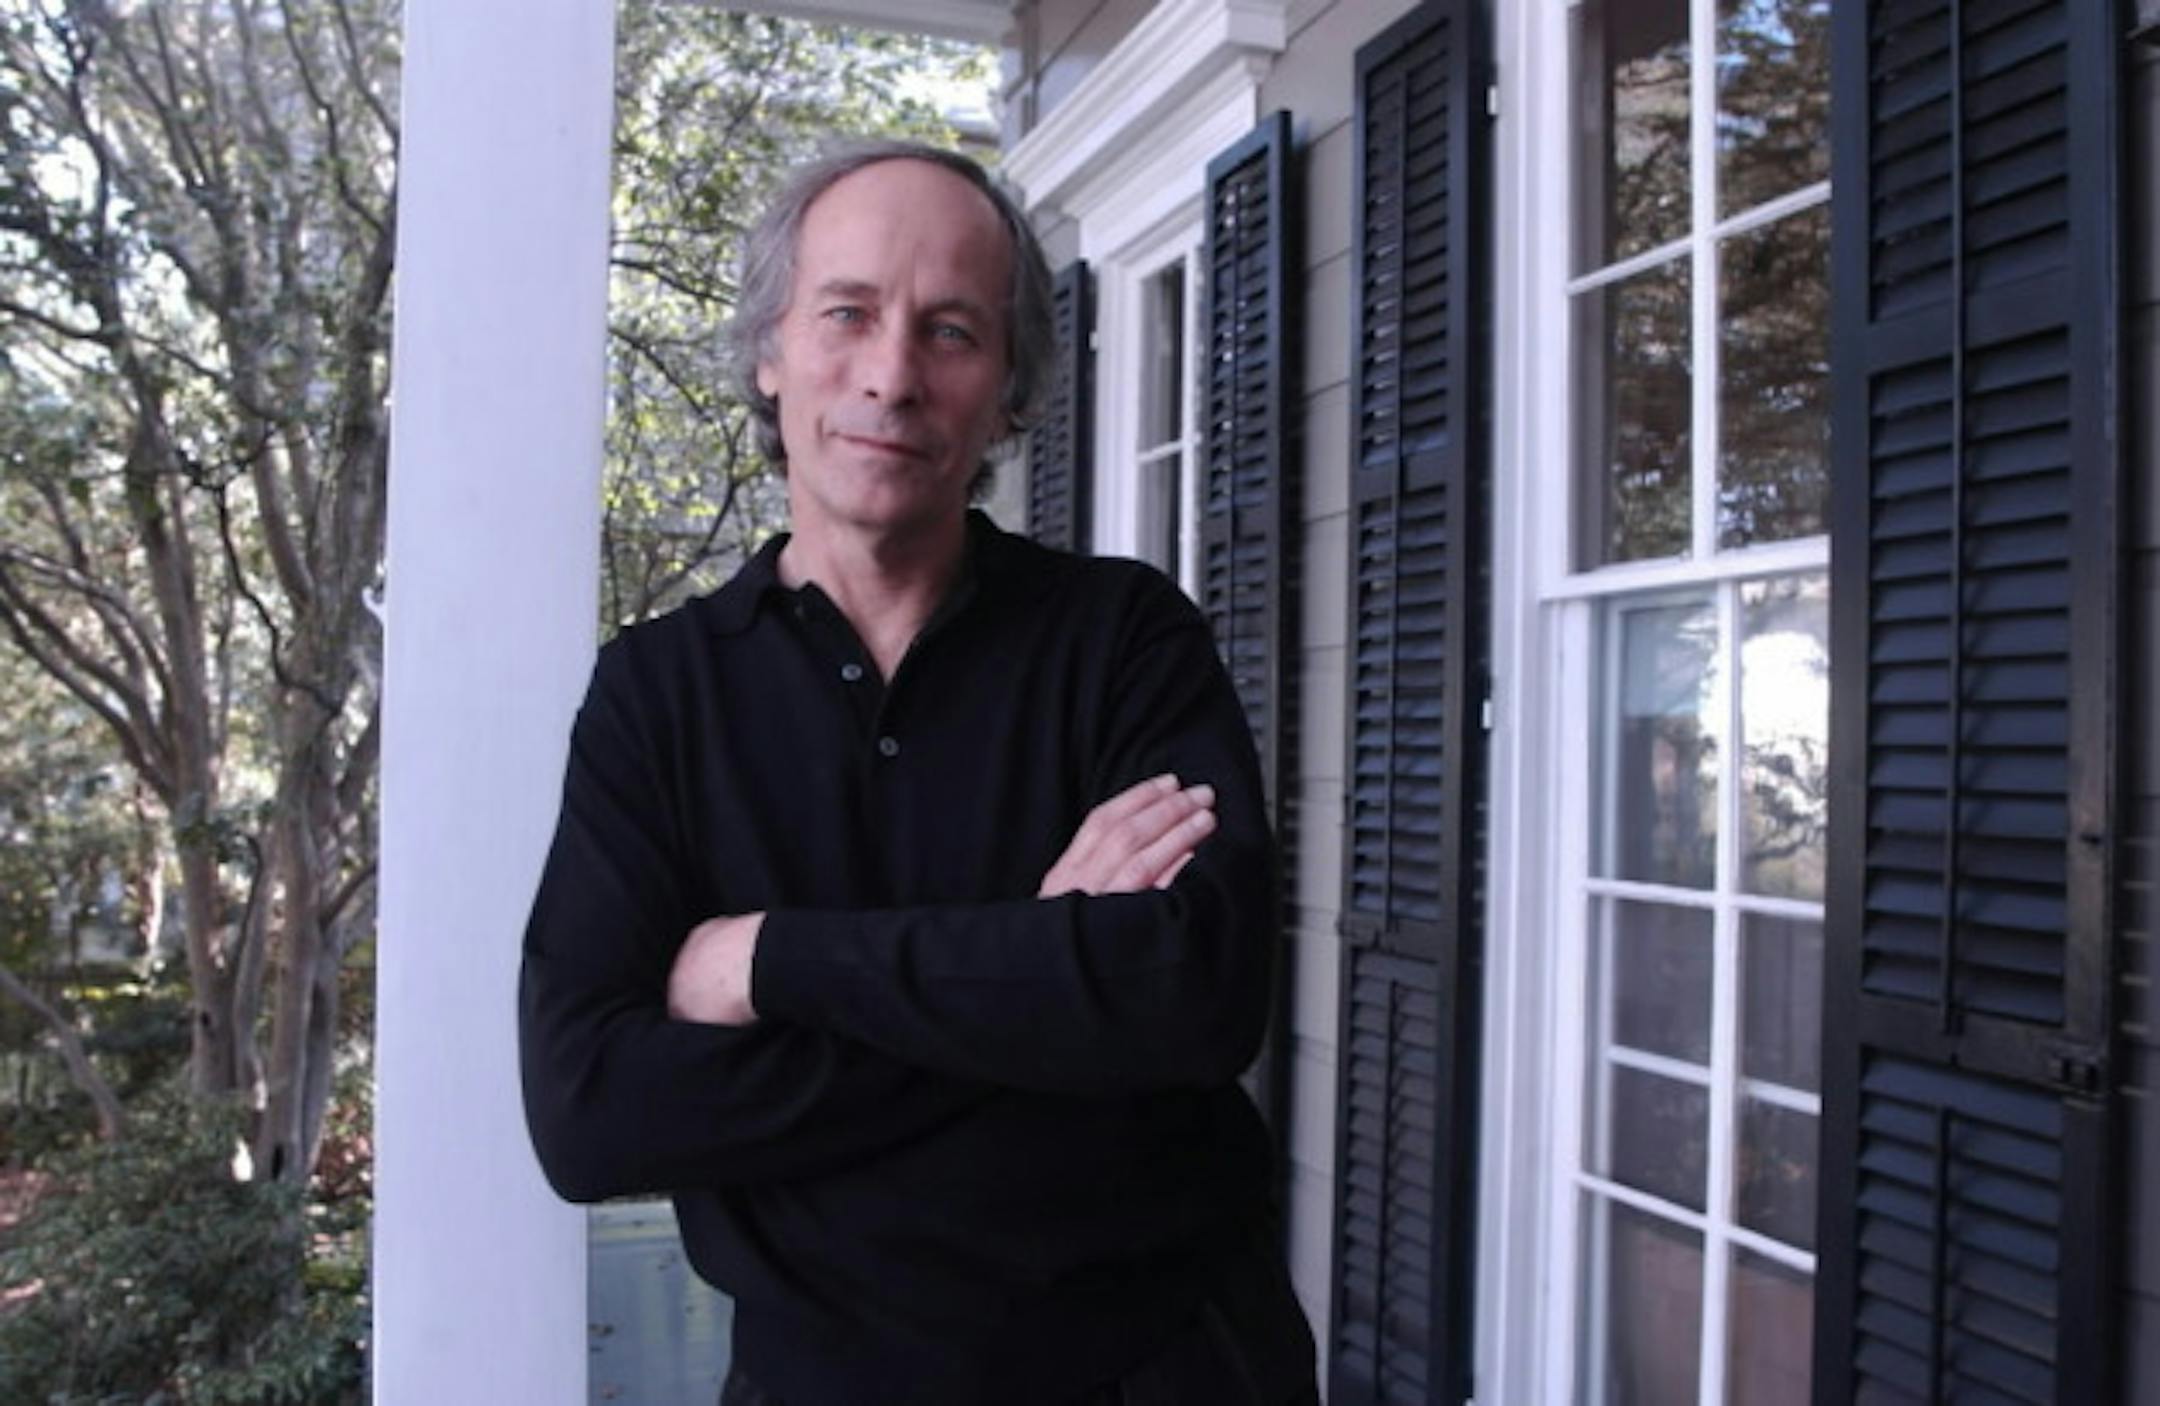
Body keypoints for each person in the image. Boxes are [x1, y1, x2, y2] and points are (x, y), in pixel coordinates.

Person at [518, 138, 1316, 1406]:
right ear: (770, 351)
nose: (891, 376)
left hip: (1161, 1372)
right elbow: (591, 1112)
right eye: (848, 313)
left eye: (951, 332)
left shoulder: (1124, 637)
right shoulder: (659, 694)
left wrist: (770, 961)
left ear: (1008, 391)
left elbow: (1194, 993)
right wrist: (1039, 963)